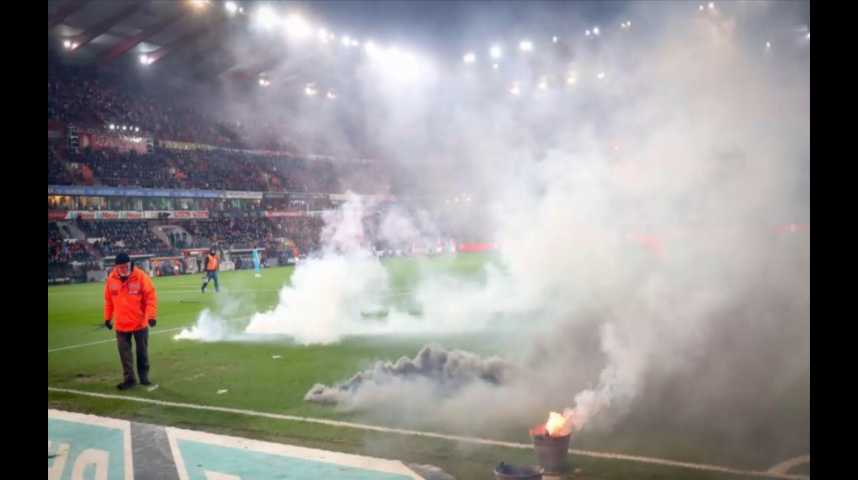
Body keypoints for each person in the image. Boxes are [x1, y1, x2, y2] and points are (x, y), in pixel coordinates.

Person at [103, 253, 157, 390]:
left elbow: (150, 297)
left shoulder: (140, 276)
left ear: (130, 263)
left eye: (126, 266)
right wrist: (107, 318)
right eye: (121, 267)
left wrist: (151, 316)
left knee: (142, 352)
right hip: (121, 324)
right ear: (116, 266)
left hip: (139, 323)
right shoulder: (111, 279)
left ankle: (144, 376)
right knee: (124, 355)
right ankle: (129, 379)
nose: (123, 269)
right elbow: (108, 301)